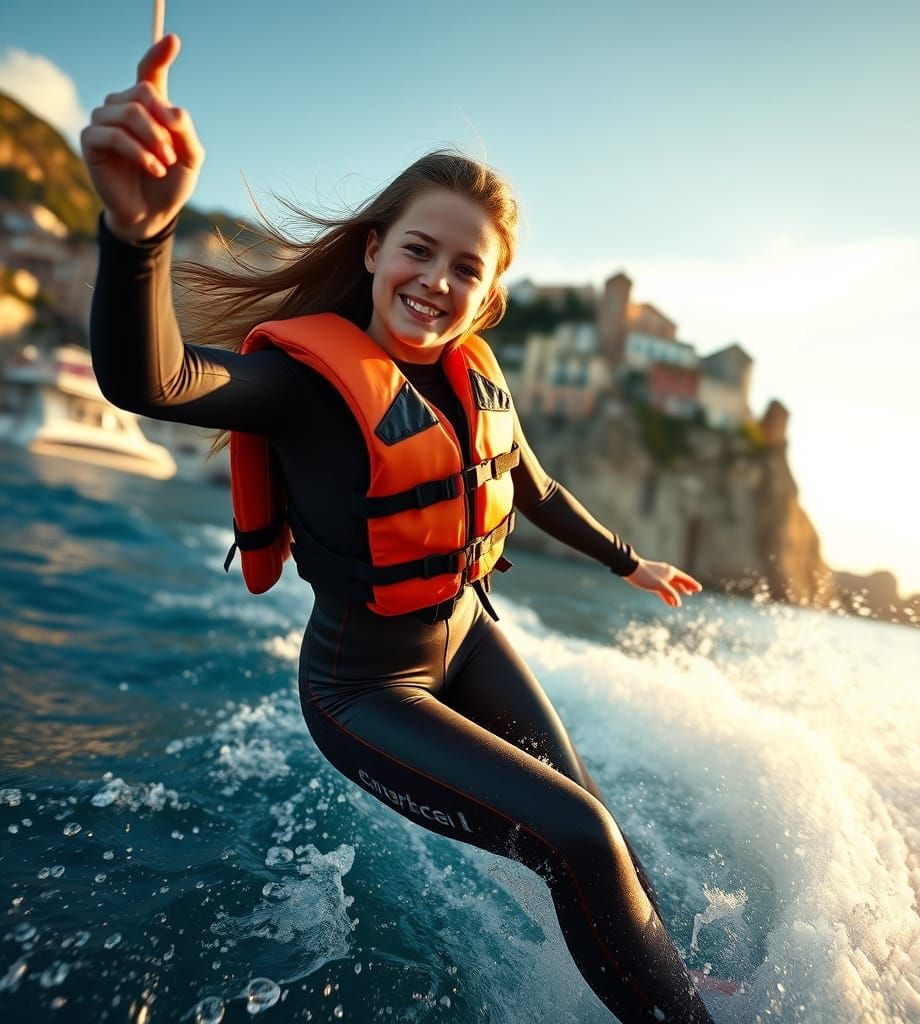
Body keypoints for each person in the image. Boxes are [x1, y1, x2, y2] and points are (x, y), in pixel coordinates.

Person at [82, 34, 714, 1024]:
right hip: (364, 689)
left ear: (488, 296)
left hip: (467, 632)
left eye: (466, 268)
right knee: (580, 838)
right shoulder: (299, 385)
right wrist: (139, 234)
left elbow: (534, 490)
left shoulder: (473, 384)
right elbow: (150, 380)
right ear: (374, 250)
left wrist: (629, 563)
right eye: (419, 249)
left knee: (596, 821)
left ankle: (666, 975)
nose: (436, 280)